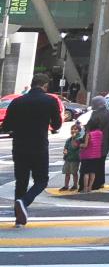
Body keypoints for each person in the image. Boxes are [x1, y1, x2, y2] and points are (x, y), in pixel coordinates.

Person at [0, 73, 62, 226]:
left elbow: (5, 126)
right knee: (41, 180)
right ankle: (24, 201)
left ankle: (18, 219)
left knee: (21, 181)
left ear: (32, 83)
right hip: (39, 146)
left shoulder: (17, 101)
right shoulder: (50, 101)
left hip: (20, 146)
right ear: (45, 85)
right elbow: (57, 125)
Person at [83, 96, 109, 190]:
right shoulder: (108, 113)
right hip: (106, 141)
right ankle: (101, 182)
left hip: (96, 142)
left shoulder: (96, 114)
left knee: (94, 164)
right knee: (101, 163)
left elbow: (90, 126)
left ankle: (94, 184)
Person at [78, 122, 104, 193]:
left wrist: (80, 145)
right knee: (92, 172)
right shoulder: (100, 133)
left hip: (87, 156)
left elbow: (85, 145)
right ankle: (90, 187)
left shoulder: (88, 134)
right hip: (96, 155)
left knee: (86, 173)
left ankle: (85, 188)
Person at [60, 122, 84, 192]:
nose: (73, 130)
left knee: (74, 172)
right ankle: (66, 185)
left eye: (75, 129)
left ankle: (75, 185)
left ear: (79, 131)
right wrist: (65, 151)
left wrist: (74, 138)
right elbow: (66, 147)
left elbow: (75, 147)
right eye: (72, 129)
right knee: (67, 173)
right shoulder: (68, 140)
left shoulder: (79, 138)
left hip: (75, 158)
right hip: (68, 158)